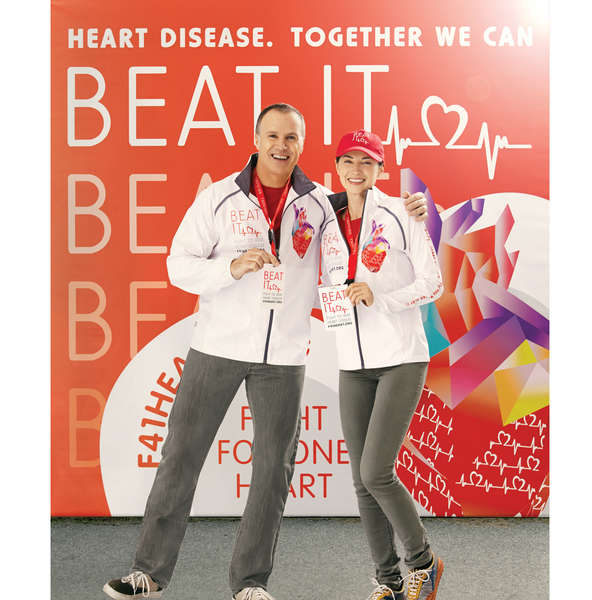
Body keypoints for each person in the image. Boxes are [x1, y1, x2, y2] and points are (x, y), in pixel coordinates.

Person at [102, 105, 428, 600]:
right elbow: (177, 264)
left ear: (302, 144)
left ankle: (251, 583)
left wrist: (412, 209)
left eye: (291, 137)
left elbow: (363, 215)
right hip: (217, 346)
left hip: (285, 356)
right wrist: (229, 268)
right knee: (181, 455)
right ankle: (148, 572)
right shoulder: (218, 198)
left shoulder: (319, 205)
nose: (281, 145)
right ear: (256, 139)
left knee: (274, 469)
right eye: (272, 135)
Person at [325, 130, 444, 600]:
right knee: (361, 480)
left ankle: (423, 562)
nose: (356, 170)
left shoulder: (402, 212)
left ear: (380, 169)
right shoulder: (325, 219)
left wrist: (382, 298)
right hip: (351, 361)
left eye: (367, 162)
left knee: (376, 471)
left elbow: (432, 282)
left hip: (400, 357)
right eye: (348, 160)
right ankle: (387, 581)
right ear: (337, 165)